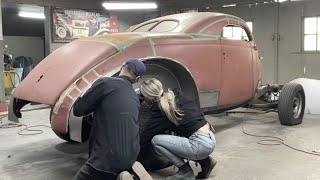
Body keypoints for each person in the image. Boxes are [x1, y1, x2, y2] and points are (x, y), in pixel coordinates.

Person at [73, 59, 152, 180]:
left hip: (104, 161)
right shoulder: (134, 97)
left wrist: (80, 93)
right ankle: (129, 175)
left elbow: (78, 110)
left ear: (122, 68)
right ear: (137, 79)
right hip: (131, 158)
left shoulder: (106, 83)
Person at [139, 78, 217, 180]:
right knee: (179, 133)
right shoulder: (176, 94)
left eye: (142, 95)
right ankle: (206, 162)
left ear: (148, 97)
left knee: (156, 141)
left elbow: (146, 135)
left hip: (200, 145)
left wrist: (131, 148)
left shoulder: (159, 112)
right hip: (210, 136)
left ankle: (185, 171)